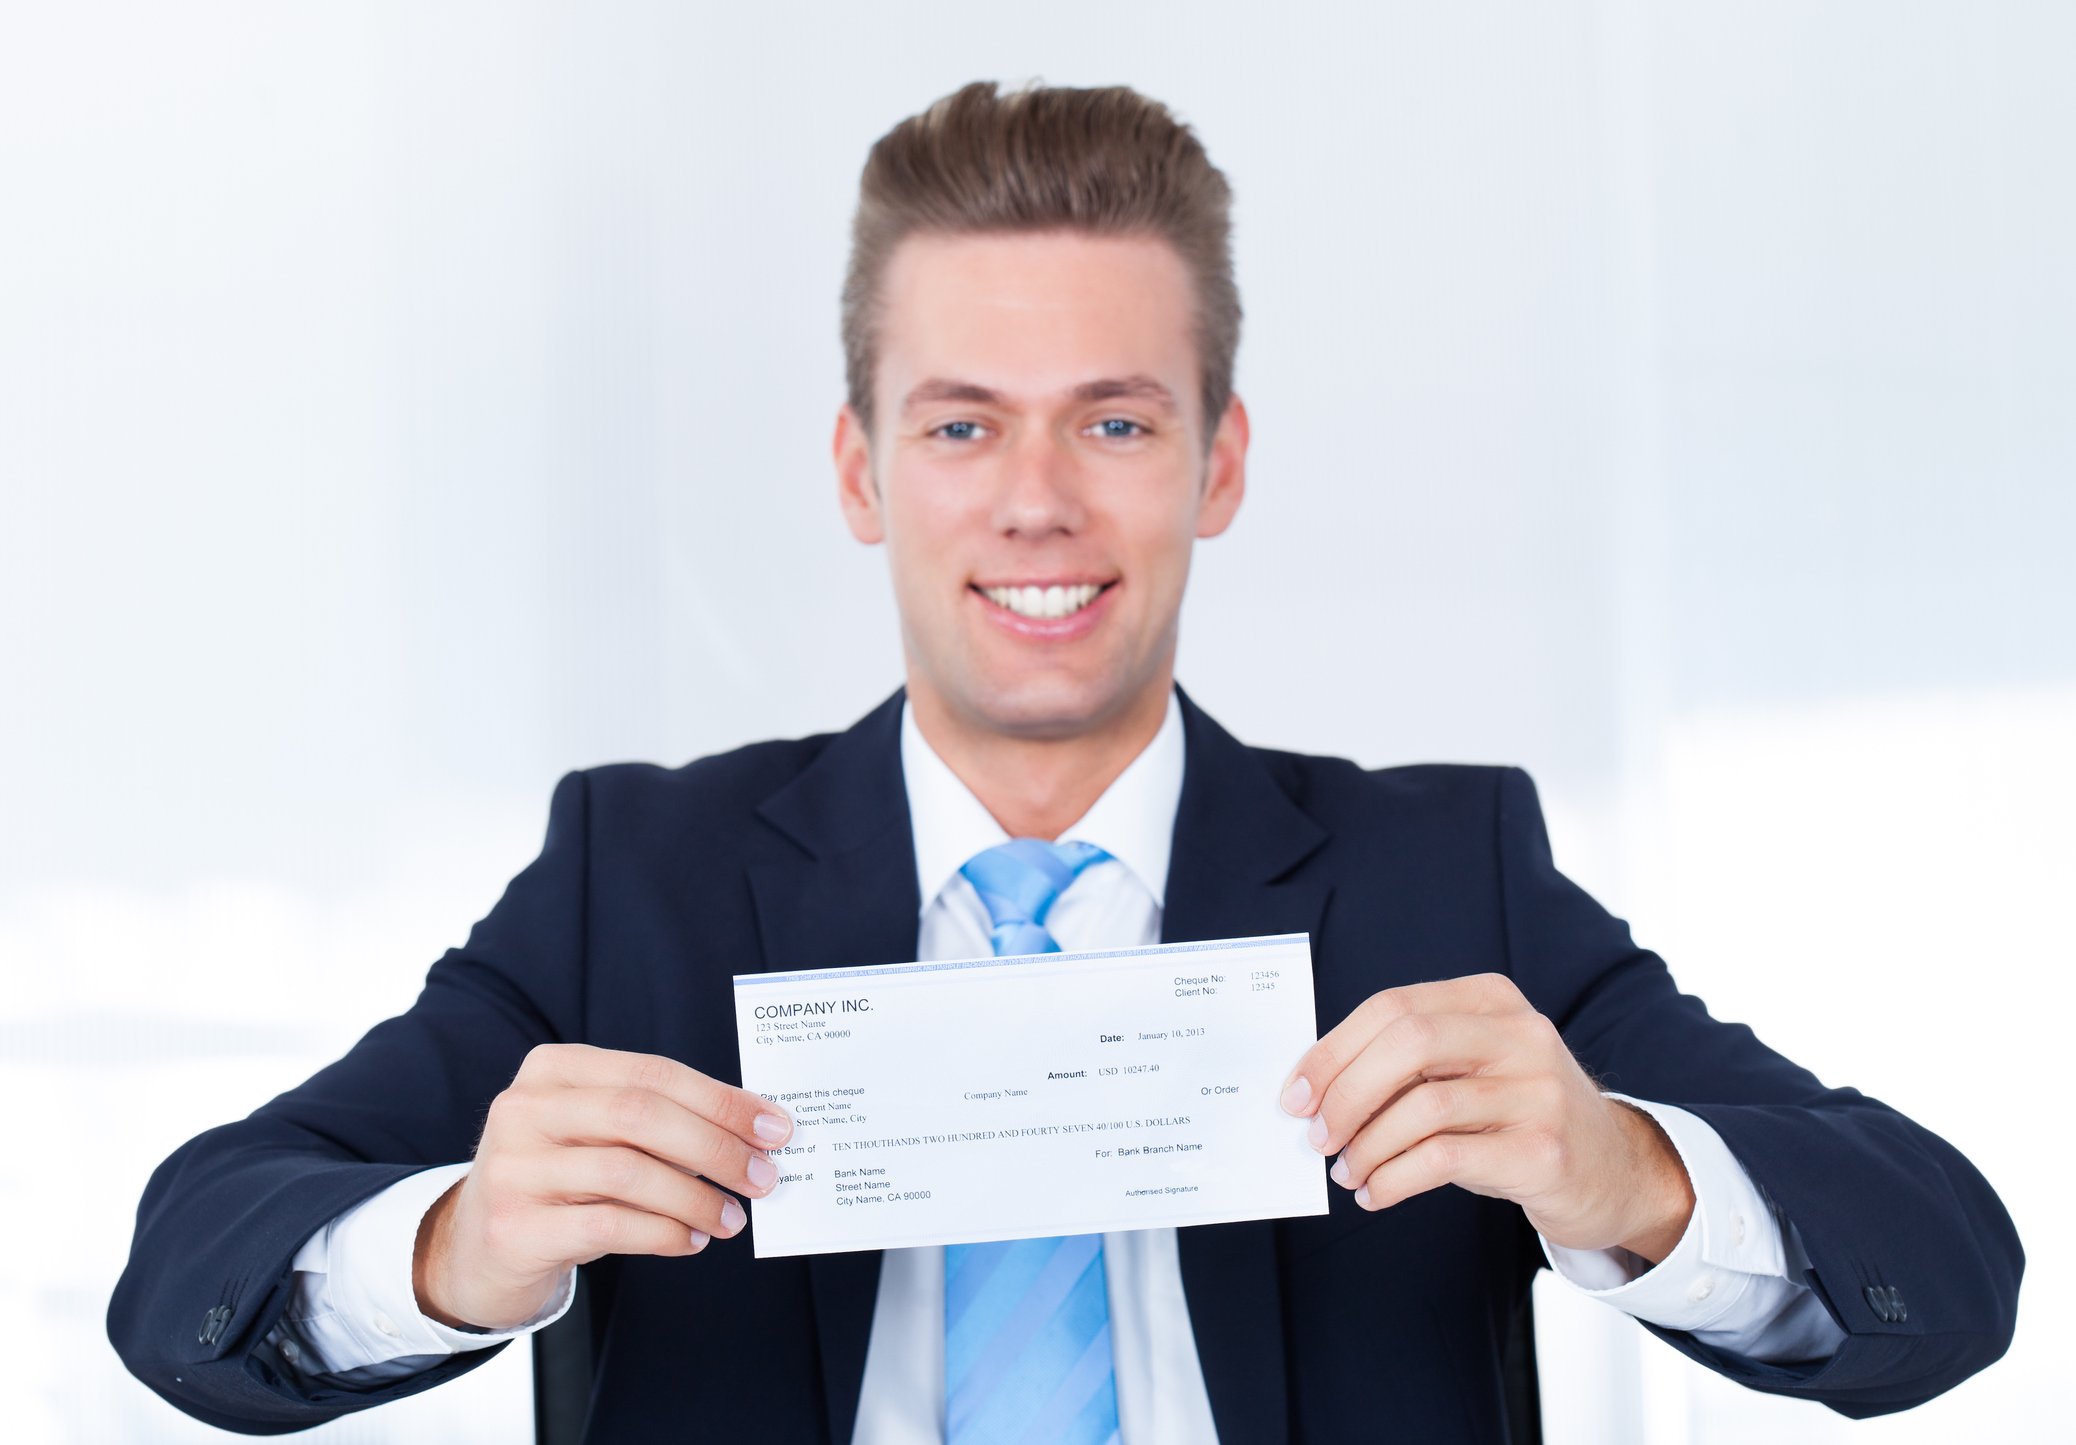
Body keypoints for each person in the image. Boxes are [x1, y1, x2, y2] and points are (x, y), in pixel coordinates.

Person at [111, 81, 2020, 1443]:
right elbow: (186, 1279)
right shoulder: (639, 877)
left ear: (1220, 459)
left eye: (1115, 418)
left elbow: (1946, 1267)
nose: (1037, 501)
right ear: (862, 471)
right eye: (961, 425)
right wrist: (454, 1239)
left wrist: (1634, 1178)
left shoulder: (1453, 879)